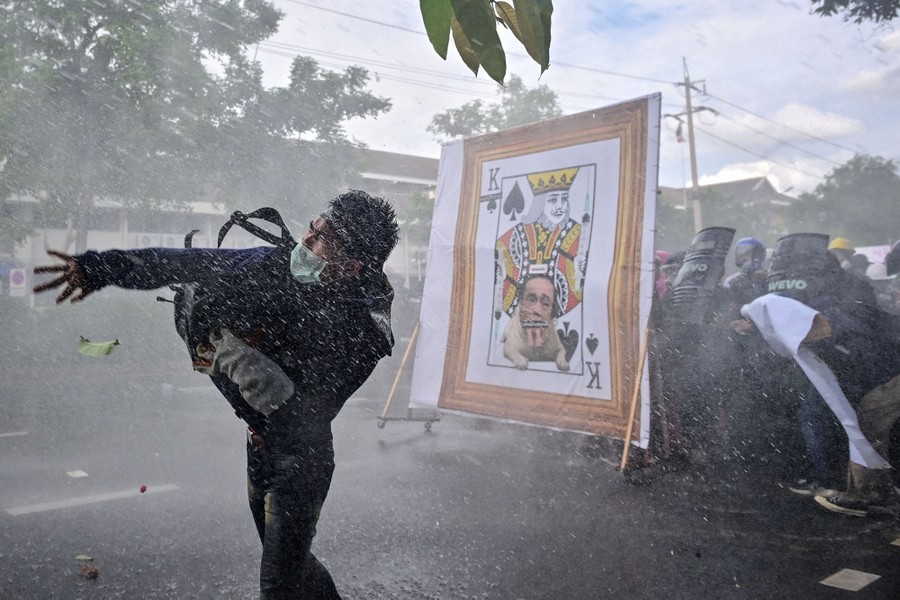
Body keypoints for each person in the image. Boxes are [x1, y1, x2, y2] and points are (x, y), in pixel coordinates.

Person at [33, 190, 400, 598]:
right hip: (260, 447)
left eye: (318, 242)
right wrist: (100, 268)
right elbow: (186, 262)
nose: (304, 245)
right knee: (292, 568)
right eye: (310, 230)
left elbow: (316, 405)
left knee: (279, 583)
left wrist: (260, 376)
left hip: (301, 463)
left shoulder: (362, 326)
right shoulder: (273, 266)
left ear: (349, 267)